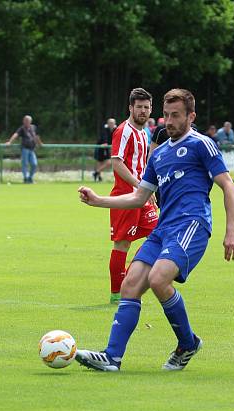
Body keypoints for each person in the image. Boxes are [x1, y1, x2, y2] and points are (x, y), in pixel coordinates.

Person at [74, 88, 234, 372]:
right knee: (131, 283)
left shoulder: (203, 144)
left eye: (176, 115)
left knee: (159, 278)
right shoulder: (159, 154)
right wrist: (99, 201)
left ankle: (187, 343)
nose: (169, 121)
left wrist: (231, 231)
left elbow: (227, 185)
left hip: (192, 224)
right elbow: (139, 197)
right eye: (166, 115)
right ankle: (112, 357)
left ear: (191, 116)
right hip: (164, 228)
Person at [106, 88, 159, 304]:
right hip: (125, 197)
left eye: (147, 107)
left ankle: (131, 276)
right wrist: (140, 187)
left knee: (160, 234)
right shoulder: (123, 130)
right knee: (123, 244)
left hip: (141, 195)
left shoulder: (144, 133)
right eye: (139, 107)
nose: (143, 111)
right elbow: (116, 163)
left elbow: (143, 164)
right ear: (130, 108)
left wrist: (149, 190)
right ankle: (117, 294)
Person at [5, 115, 43, 184]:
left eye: (27, 121)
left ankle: (30, 178)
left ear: (30, 122)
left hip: (32, 149)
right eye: (25, 120)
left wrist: (40, 143)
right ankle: (25, 179)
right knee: (25, 164)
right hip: (25, 149)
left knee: (34, 164)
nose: (25, 122)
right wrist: (10, 142)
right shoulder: (22, 128)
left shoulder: (34, 127)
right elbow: (15, 134)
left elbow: (36, 136)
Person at [92, 118, 117, 182]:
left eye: (113, 123)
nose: (111, 124)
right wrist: (105, 142)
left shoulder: (115, 130)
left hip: (107, 148)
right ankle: (98, 176)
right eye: (110, 123)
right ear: (108, 123)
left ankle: (96, 172)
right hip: (101, 148)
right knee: (100, 162)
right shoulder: (104, 129)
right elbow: (103, 137)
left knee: (108, 162)